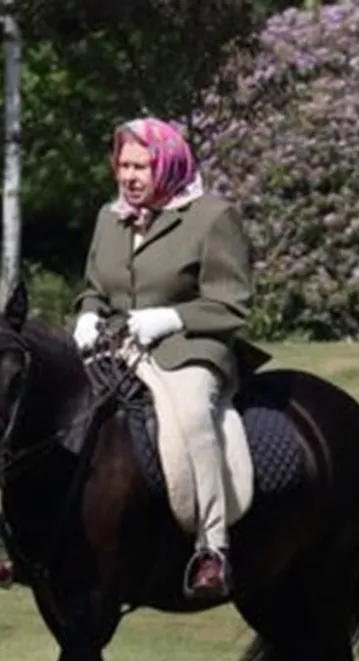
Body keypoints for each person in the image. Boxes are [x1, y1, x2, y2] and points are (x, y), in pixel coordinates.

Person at [71, 116, 264, 600]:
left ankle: (212, 549)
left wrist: (171, 319)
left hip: (188, 348)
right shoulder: (107, 217)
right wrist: (88, 314)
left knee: (195, 417)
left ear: (170, 164)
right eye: (123, 165)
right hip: (116, 347)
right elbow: (95, 289)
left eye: (141, 166)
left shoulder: (213, 217)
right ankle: (33, 539)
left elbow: (230, 304)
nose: (129, 177)